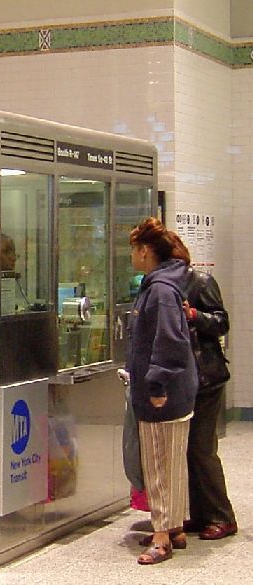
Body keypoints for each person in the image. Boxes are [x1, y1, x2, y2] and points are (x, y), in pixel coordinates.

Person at [126, 217, 198, 565]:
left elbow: (169, 342)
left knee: (158, 464)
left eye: (134, 251)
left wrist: (155, 384)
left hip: (162, 394)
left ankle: (160, 537)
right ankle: (175, 528)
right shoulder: (165, 285)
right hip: (174, 391)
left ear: (145, 251)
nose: (132, 257)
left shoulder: (160, 290)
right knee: (172, 462)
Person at [168, 232, 238, 540]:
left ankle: (222, 516)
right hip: (185, 378)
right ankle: (200, 514)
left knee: (202, 448)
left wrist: (194, 315)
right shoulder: (164, 286)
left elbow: (221, 321)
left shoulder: (200, 281)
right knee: (189, 449)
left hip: (207, 377)